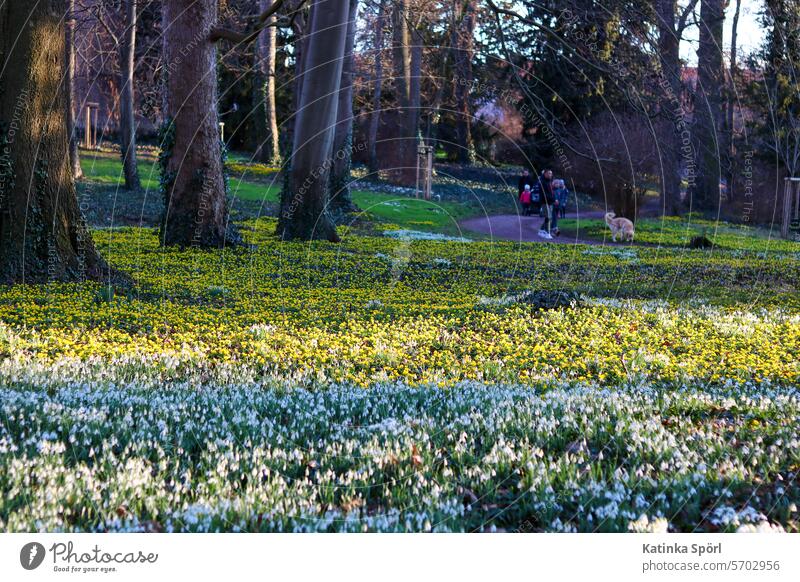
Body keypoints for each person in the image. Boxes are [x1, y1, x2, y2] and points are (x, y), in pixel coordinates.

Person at [537, 169, 559, 239]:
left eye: (551, 173)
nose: (551, 175)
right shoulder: (542, 182)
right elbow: (544, 194)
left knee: (548, 217)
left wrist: (554, 199)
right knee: (548, 217)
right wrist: (553, 199)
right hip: (544, 202)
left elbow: (551, 192)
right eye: (549, 173)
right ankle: (547, 233)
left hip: (550, 202)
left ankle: (541, 230)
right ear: (545, 174)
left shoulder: (549, 181)